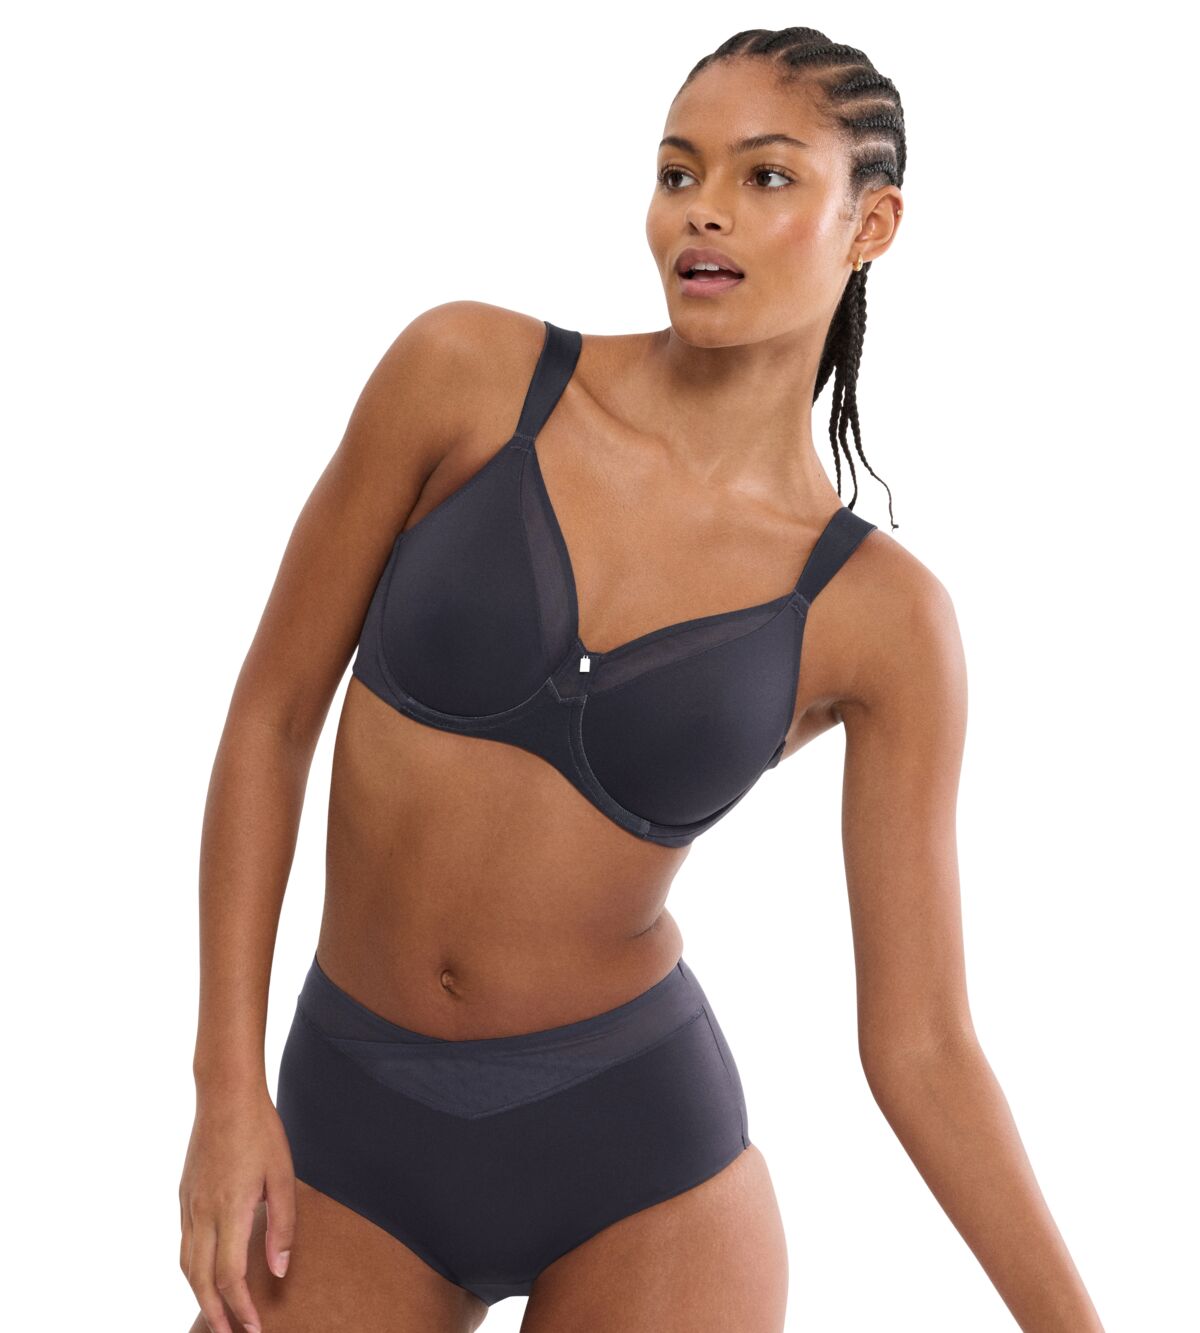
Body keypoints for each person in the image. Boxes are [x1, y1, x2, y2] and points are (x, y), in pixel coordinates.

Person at [178, 26, 1105, 1333]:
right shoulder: (468, 377)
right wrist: (224, 1088)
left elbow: (922, 1045)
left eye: (766, 176)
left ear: (872, 224)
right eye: (679, 172)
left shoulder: (880, 616)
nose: (703, 210)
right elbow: (271, 722)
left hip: (639, 1163)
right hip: (348, 1122)